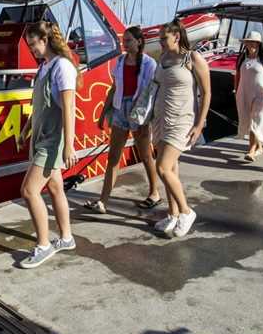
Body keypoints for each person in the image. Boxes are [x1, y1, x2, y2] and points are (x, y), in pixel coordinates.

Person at [16, 21, 79, 268]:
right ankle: (66, 238)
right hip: (40, 137)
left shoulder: (62, 67)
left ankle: (43, 245)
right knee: (55, 189)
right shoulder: (45, 67)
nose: (32, 50)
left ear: (45, 41)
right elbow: (39, 107)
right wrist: (25, 131)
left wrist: (69, 145)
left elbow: (69, 108)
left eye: (33, 44)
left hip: (53, 139)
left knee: (29, 191)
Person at [85, 26, 160, 213]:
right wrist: (103, 112)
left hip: (138, 110)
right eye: (123, 41)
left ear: (139, 42)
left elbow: (151, 93)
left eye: (128, 41)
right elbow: (114, 88)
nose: (124, 44)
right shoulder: (119, 61)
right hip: (120, 109)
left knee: (145, 154)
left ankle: (154, 192)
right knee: (113, 157)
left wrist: (147, 118)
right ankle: (103, 201)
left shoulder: (149, 64)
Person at [150, 19, 211, 238]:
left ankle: (186, 211)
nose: (161, 43)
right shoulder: (163, 58)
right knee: (172, 168)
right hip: (160, 119)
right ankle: (173, 214)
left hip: (182, 120)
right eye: (159, 40)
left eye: (164, 39)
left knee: (163, 168)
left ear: (176, 36)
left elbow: (206, 93)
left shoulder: (193, 58)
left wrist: (199, 123)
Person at [234, 30, 263, 162]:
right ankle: (260, 147)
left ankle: (251, 151)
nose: (251, 44)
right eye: (249, 42)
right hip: (244, 93)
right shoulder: (241, 58)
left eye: (254, 42)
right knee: (248, 119)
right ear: (245, 43)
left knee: (255, 121)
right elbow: (238, 76)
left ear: (258, 44)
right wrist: (236, 91)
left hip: (261, 94)